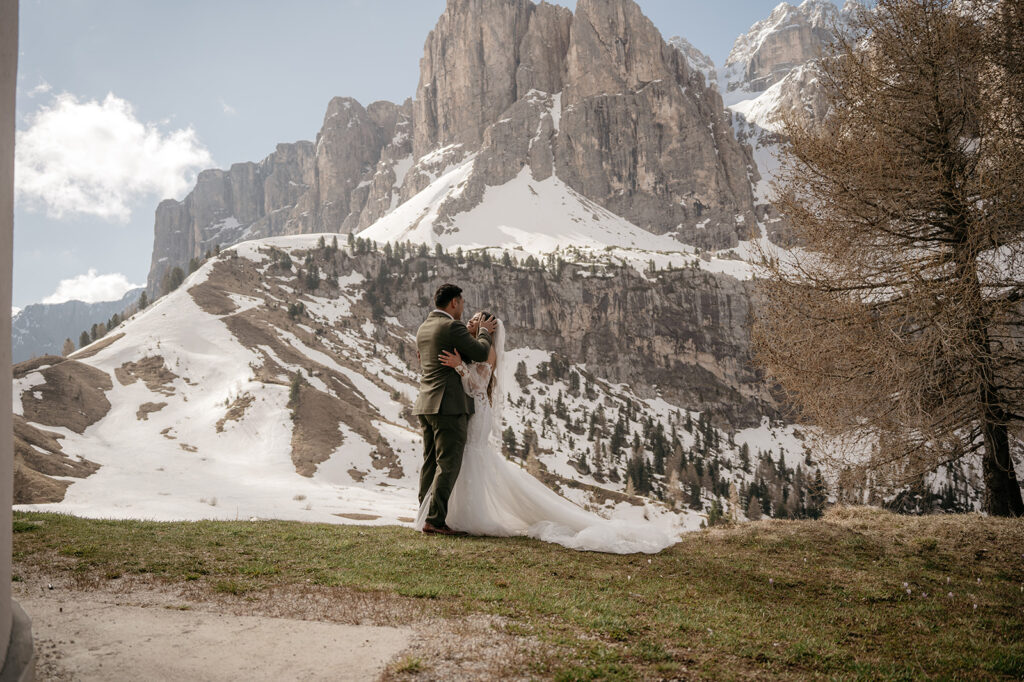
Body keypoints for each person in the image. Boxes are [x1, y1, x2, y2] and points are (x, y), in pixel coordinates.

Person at [415, 311, 681, 554]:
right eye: (470, 319)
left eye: (475, 320)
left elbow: (478, 384)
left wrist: (459, 366)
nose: (470, 322)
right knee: (465, 459)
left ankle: (464, 516)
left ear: (489, 329)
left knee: (471, 457)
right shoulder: (471, 348)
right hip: (468, 409)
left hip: (477, 412)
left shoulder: (488, 352)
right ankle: (449, 516)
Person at [413, 283, 496, 536]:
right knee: (448, 463)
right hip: (448, 405)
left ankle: (424, 514)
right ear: (454, 303)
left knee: (429, 462)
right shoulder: (451, 326)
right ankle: (435, 520)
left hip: (426, 403)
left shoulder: (423, 328)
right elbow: (481, 351)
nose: (462, 308)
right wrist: (483, 331)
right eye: (461, 303)